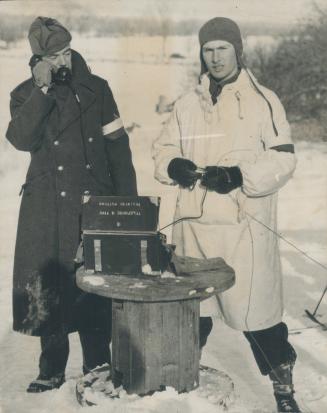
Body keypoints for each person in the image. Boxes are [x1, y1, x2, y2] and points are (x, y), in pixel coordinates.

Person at [152, 17, 301, 413]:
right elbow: (162, 148)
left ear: (238, 51)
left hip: (243, 232)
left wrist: (240, 175)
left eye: (223, 49)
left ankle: (283, 390)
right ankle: (174, 387)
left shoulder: (263, 99)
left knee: (258, 320)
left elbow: (284, 160)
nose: (215, 58)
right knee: (189, 315)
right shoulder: (187, 103)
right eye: (208, 49)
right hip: (194, 230)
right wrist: (173, 165)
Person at [6, 17, 137, 393]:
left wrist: (127, 208)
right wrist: (42, 90)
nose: (62, 61)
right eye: (51, 55)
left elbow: (119, 149)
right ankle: (51, 367)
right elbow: (19, 138)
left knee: (92, 284)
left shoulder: (97, 89)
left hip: (92, 202)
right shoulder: (24, 94)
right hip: (46, 206)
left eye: (65, 52)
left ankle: (98, 363)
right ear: (38, 58)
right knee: (51, 283)